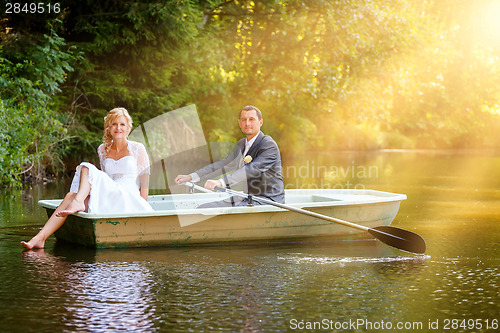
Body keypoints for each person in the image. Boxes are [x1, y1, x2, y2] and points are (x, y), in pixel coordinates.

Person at [21, 107, 153, 249]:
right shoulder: (102, 149)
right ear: (108, 127)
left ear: (128, 128)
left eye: (122, 124)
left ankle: (78, 202)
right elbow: (104, 179)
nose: (118, 128)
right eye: (114, 124)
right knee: (70, 196)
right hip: (112, 194)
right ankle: (40, 238)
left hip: (129, 196)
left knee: (86, 167)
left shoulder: (137, 148)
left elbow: (144, 183)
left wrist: (142, 207)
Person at [175, 105, 284, 207]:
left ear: (260, 122)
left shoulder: (268, 145)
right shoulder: (241, 144)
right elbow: (223, 165)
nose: (247, 123)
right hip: (248, 198)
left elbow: (251, 169)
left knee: (207, 210)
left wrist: (220, 182)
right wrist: (191, 176)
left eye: (251, 119)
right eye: (243, 120)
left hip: (268, 200)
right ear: (239, 123)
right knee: (204, 207)